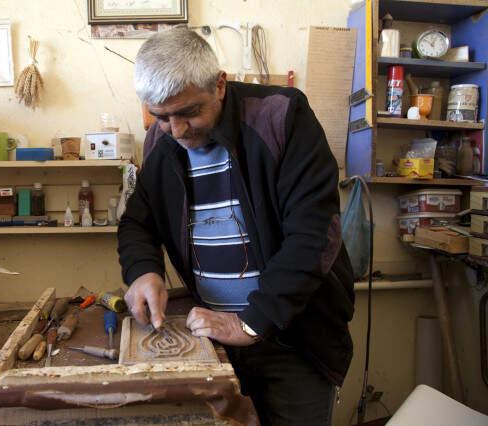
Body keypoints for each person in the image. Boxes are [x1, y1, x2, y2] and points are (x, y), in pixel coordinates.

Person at [118, 27, 355, 426]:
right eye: (162, 117)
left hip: (291, 337)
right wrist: (143, 271)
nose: (176, 131)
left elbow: (314, 234)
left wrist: (252, 321)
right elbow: (137, 222)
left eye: (190, 112)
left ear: (220, 84)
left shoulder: (283, 116)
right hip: (212, 341)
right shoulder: (160, 144)